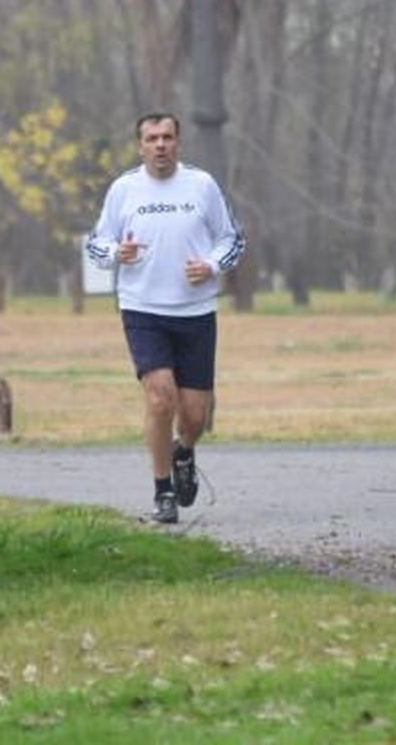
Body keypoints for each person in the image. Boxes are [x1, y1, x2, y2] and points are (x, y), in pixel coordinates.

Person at [85, 112, 246, 523]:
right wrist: (114, 253)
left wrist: (210, 265)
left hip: (196, 311)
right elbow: (97, 243)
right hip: (142, 308)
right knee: (160, 398)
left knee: (194, 416)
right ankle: (163, 493)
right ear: (140, 146)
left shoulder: (202, 185)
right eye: (152, 138)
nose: (160, 145)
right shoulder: (124, 189)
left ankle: (184, 451)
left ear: (178, 142)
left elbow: (233, 239)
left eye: (168, 137)